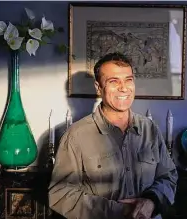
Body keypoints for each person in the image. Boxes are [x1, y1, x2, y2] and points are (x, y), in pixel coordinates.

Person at [48, 52, 178, 219]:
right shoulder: (76, 136)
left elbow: (168, 176)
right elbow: (61, 194)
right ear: (98, 87)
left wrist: (151, 201)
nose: (123, 88)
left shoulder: (150, 129)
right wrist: (118, 211)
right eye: (113, 81)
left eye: (128, 80)